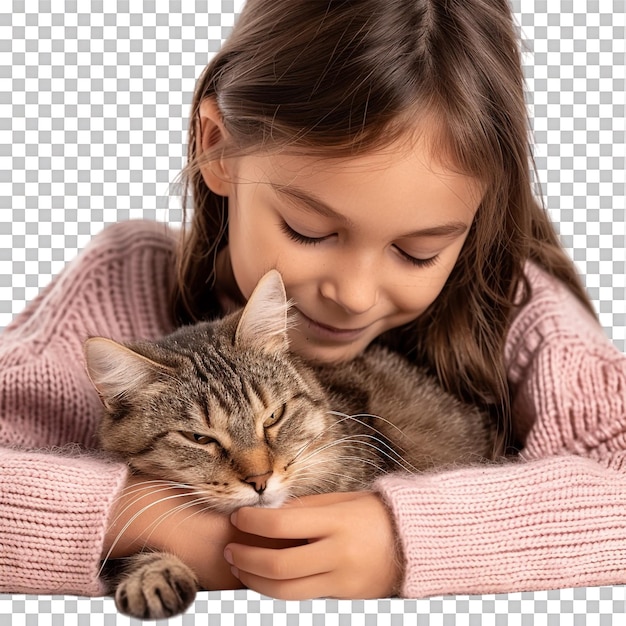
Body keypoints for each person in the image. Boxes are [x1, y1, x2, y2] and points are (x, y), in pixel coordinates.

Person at [1, 0, 625, 602]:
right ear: (216, 147)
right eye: (310, 231)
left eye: (416, 251)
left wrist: (403, 540)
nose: (352, 296)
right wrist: (165, 527)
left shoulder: (517, 306)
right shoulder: (122, 281)